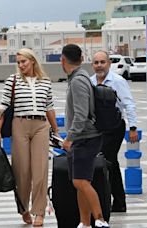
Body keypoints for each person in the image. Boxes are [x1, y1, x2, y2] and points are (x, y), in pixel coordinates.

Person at [0, 48, 58, 227]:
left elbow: (49, 107)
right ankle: (23, 208)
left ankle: (39, 212)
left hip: (41, 126)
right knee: (22, 171)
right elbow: (3, 107)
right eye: (19, 62)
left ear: (33, 61)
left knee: (40, 170)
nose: (21, 65)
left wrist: (56, 130)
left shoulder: (45, 82)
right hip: (19, 125)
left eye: (24, 61)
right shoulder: (12, 81)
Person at [60, 44, 109, 228]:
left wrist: (69, 138)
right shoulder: (77, 78)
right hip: (83, 137)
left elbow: (81, 114)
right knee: (81, 182)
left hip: (86, 137)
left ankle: (100, 219)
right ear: (81, 59)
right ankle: (84, 222)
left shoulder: (78, 81)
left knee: (80, 181)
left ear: (63, 60)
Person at [90, 50, 138, 212]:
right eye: (96, 63)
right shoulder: (90, 82)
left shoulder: (118, 81)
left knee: (109, 161)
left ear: (109, 63)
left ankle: (118, 202)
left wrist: (133, 128)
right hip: (97, 128)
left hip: (115, 128)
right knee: (104, 163)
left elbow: (128, 104)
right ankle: (108, 201)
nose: (99, 66)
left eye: (102, 62)